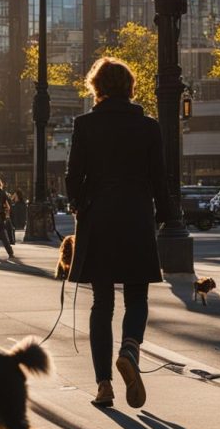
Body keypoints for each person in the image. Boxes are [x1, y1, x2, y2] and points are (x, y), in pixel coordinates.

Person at [64, 57, 170, 410]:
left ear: (97, 88)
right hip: (137, 216)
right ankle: (130, 349)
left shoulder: (85, 125)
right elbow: (160, 179)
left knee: (101, 303)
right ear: (130, 88)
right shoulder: (149, 127)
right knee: (137, 297)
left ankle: (104, 386)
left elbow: (72, 176)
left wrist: (78, 204)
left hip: (99, 219)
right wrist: (167, 216)